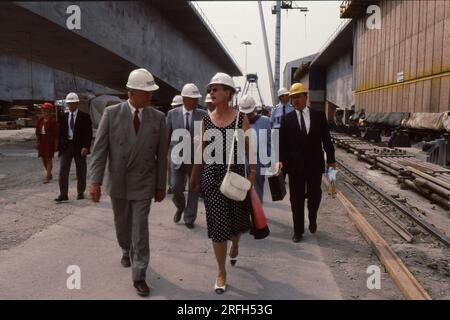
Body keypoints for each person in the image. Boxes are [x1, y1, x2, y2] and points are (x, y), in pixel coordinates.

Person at [89, 68, 168, 297]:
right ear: (131, 92)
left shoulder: (158, 118)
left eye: (151, 92)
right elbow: (100, 150)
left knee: (140, 228)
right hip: (119, 182)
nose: (150, 96)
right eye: (146, 92)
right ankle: (126, 249)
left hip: (144, 181)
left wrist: (161, 185)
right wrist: (95, 182)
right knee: (123, 226)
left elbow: (161, 155)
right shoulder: (111, 114)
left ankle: (139, 274)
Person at [190, 72, 256, 294]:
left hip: (235, 177)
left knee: (236, 224)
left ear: (228, 93)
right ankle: (221, 271)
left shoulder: (240, 119)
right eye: (210, 89)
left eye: (216, 88)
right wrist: (193, 174)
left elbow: (249, 148)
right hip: (211, 177)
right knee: (218, 227)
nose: (212, 92)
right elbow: (202, 149)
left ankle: (235, 244)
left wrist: (253, 172)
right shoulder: (206, 120)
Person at [278, 83, 335, 243]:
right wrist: (281, 165)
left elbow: (327, 141)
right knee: (295, 199)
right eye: (292, 97)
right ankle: (298, 231)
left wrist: (331, 162)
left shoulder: (319, 116)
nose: (295, 100)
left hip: (315, 165)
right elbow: (282, 145)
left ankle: (312, 216)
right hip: (294, 167)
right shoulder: (286, 119)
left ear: (305, 97)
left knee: (315, 195)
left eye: (298, 96)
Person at [166, 83, 206, 229]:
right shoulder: (172, 114)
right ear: (184, 98)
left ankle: (189, 218)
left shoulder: (203, 115)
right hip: (177, 159)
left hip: (195, 161)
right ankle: (180, 207)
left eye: (197, 99)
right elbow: (166, 136)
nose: (196, 102)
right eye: (193, 99)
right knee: (176, 187)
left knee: (194, 189)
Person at [55, 92, 92, 202]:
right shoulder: (64, 117)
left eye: (72, 103)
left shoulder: (84, 117)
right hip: (66, 147)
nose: (70, 106)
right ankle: (63, 194)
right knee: (63, 171)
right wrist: (59, 147)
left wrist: (86, 146)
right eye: (69, 104)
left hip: (79, 147)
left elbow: (88, 133)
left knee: (81, 170)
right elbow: (60, 133)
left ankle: (80, 192)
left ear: (77, 103)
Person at [238, 95, 271, 203]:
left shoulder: (265, 121)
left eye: (249, 112)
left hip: (258, 162)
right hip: (242, 162)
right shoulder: (237, 121)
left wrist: (271, 163)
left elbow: (270, 142)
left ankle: (256, 217)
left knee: (257, 193)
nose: (247, 115)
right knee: (241, 193)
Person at [35, 102, 58, 184]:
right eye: (43, 110)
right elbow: (38, 132)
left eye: (46, 110)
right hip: (42, 142)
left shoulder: (53, 121)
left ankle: (47, 176)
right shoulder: (40, 120)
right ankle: (49, 173)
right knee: (43, 159)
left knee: (48, 159)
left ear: (50, 111)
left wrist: (56, 145)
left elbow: (56, 134)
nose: (44, 112)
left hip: (50, 142)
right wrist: (37, 142)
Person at [167, 95, 183, 195]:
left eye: (177, 106)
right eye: (174, 106)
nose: (175, 108)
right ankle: (171, 186)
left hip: (186, 145)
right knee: (171, 167)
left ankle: (182, 185)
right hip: (173, 146)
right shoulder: (171, 115)